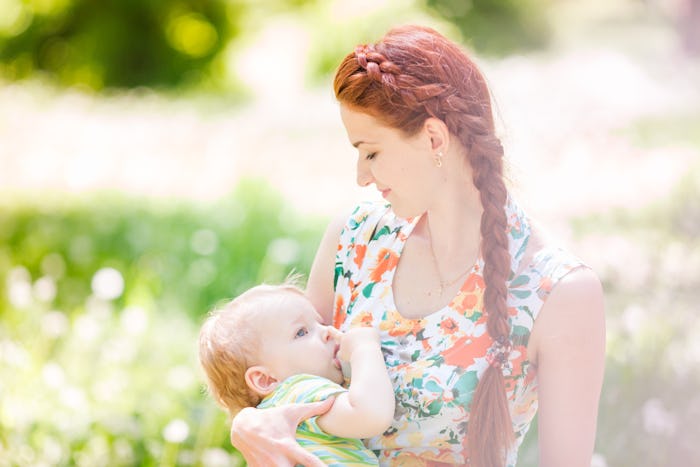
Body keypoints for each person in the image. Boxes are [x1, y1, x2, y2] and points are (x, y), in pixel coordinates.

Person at [230, 24, 606, 467]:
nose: (361, 176)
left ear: (433, 139)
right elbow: (281, 386)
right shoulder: (355, 240)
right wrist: (245, 424)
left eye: (370, 152)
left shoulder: (558, 292)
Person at [198, 282, 394, 466]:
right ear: (266, 379)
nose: (328, 331)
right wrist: (365, 348)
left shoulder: (276, 411)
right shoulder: (300, 392)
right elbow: (370, 415)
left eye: (319, 323)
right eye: (301, 332)